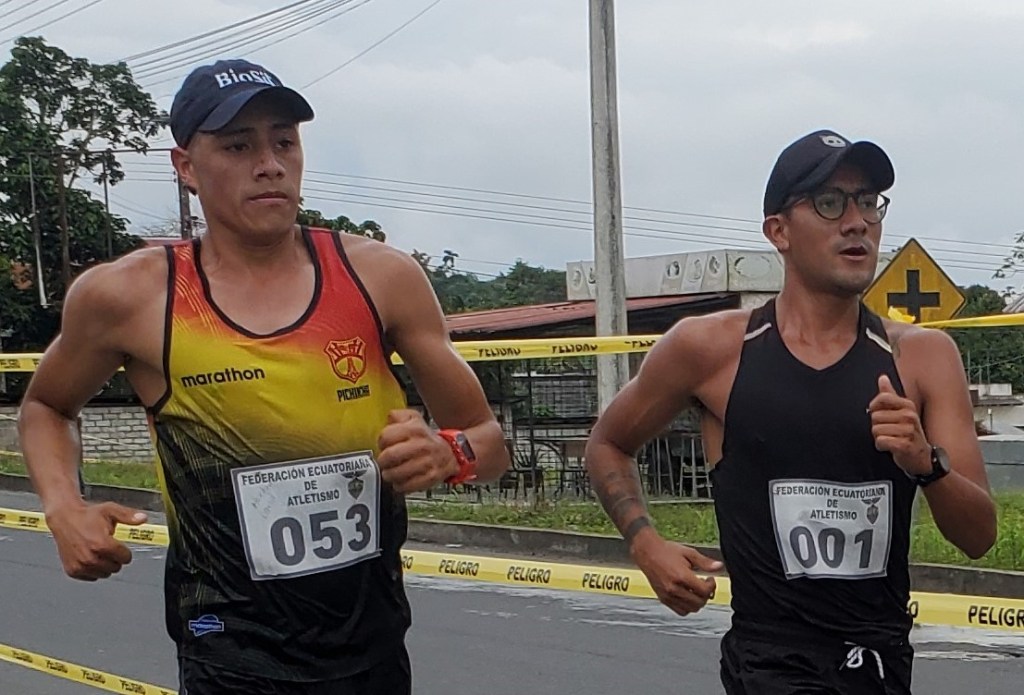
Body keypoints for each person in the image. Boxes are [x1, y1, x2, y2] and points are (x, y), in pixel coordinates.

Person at [18, 58, 509, 694]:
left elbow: (487, 442)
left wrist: (450, 454)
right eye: (238, 146)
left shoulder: (380, 277)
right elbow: (46, 407)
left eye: (284, 142)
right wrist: (63, 507)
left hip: (372, 647)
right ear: (186, 167)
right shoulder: (132, 296)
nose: (269, 164)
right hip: (229, 649)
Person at [584, 129, 996, 694]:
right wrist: (645, 543)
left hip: (878, 659)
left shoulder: (923, 356)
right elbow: (608, 442)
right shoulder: (711, 349)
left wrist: (926, 463)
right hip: (770, 660)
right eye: (829, 203)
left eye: (868, 202)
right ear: (778, 231)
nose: (857, 222)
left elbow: (979, 537)